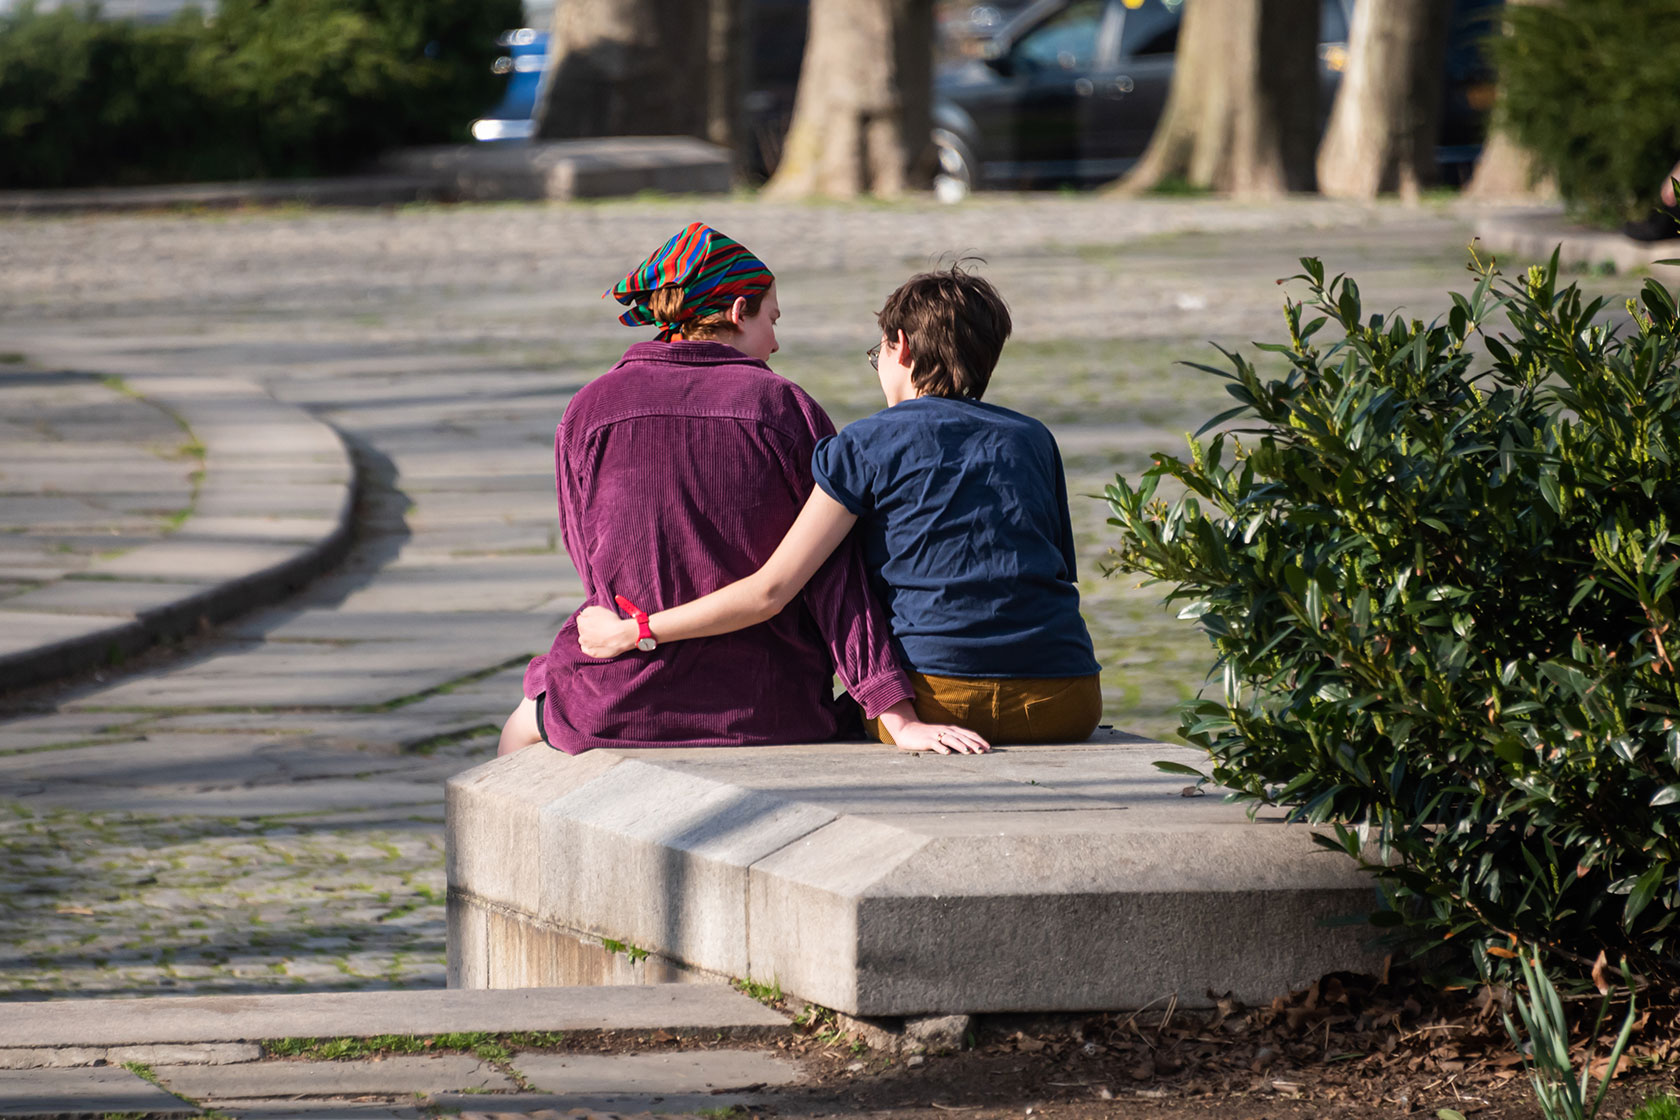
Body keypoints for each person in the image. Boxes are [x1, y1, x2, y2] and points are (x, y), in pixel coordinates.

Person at [498, 222, 985, 757]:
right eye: (771, 319)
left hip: (618, 700)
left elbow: (589, 559)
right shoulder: (785, 408)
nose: (775, 341)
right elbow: (837, 577)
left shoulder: (589, 408)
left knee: (521, 727)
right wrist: (892, 709)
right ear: (736, 312)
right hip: (768, 704)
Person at [577, 263, 1102, 746]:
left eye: (878, 355)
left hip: (939, 694)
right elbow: (1051, 571)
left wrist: (636, 631)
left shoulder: (864, 444)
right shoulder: (1033, 439)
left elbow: (775, 587)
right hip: (1068, 698)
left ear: (900, 347)